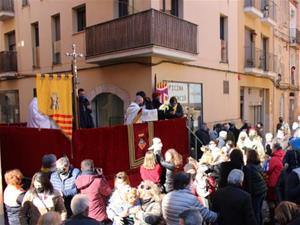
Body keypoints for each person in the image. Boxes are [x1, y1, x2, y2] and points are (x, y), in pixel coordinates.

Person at [246, 150, 267, 225]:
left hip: (256, 192)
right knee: (259, 210)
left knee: (256, 212)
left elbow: (249, 182)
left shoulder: (249, 167)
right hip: (262, 191)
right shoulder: (258, 165)